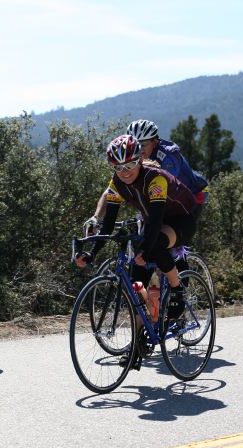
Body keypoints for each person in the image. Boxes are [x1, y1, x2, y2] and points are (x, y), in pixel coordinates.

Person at [74, 134, 201, 369]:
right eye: (118, 167)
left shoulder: (155, 179)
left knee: (156, 245)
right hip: (156, 219)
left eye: (130, 164)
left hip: (182, 219)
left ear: (139, 160)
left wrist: (144, 248)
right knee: (136, 285)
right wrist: (91, 253)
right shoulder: (117, 182)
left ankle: (177, 290)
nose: (125, 171)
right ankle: (137, 347)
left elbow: (154, 223)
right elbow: (108, 225)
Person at [84, 119, 209, 236]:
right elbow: (112, 189)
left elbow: (164, 188)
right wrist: (96, 217)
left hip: (195, 192)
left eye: (143, 145)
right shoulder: (133, 158)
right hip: (171, 194)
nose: (138, 148)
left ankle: (181, 255)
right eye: (135, 143)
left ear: (154, 142)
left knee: (170, 233)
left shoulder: (168, 156)